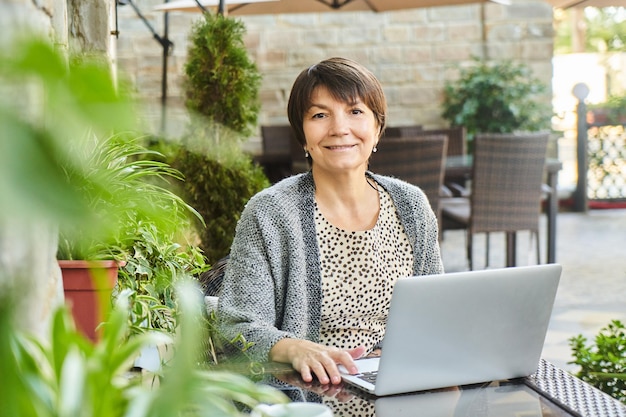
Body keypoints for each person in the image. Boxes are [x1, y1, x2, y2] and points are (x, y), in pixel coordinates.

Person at [217, 57, 443, 387]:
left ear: (377, 128)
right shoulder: (270, 213)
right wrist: (292, 347)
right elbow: (238, 323)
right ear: (303, 136)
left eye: (355, 111)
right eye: (320, 115)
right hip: (306, 393)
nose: (339, 128)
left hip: (400, 385)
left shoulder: (410, 204)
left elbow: (435, 310)